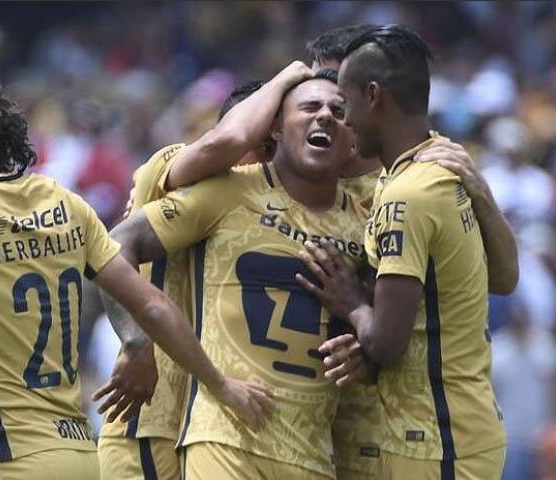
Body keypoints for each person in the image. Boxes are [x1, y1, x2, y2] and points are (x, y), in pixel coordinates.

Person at [0, 64, 273, 480]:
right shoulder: (64, 202)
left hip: (8, 456)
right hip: (82, 454)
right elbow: (153, 306)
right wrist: (221, 385)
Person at [106, 68, 367, 480]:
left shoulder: (351, 216)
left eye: (337, 110)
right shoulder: (188, 172)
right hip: (155, 416)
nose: (262, 159)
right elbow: (225, 143)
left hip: (281, 436)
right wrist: (136, 341)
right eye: (260, 144)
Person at [296, 25, 513, 480]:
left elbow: (385, 344)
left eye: (345, 103)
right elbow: (502, 277)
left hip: (436, 440)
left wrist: (350, 301)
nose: (343, 120)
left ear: (373, 95)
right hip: (456, 428)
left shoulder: (407, 195)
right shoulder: (435, 169)